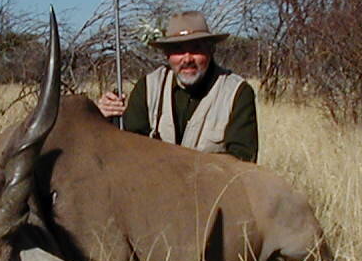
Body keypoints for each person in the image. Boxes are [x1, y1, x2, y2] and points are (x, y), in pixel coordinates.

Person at [96, 10, 258, 162]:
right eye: (178, 49)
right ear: (167, 54)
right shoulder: (148, 87)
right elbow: (127, 149)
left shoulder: (236, 92)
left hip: (212, 188)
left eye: (196, 48)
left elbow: (242, 163)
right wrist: (102, 118)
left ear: (211, 50)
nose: (187, 59)